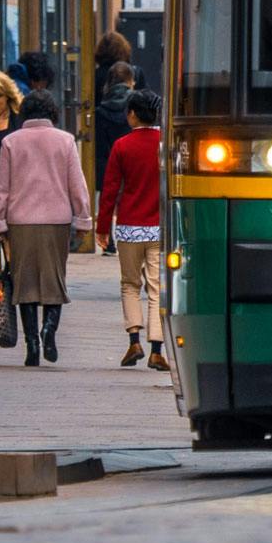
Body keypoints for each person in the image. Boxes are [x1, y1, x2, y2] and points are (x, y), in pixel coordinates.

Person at [0, 90, 91, 367]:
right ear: (52, 113)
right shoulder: (66, 141)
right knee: (54, 279)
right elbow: (76, 184)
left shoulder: (10, 142)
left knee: (25, 284)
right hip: (56, 221)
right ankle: (49, 331)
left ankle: (32, 343)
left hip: (20, 222)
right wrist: (82, 219)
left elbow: (2, 188)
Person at [96, 89, 168, 371]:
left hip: (128, 227)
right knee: (157, 287)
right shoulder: (166, 144)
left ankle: (134, 340)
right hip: (160, 228)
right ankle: (157, 349)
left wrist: (102, 229)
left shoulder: (122, 146)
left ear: (133, 114)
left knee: (129, 285)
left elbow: (111, 190)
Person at [92, 60, 136, 198]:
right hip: (134, 171)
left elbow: (100, 152)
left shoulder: (99, 113)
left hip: (109, 173)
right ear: (130, 81)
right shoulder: (136, 107)